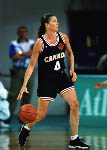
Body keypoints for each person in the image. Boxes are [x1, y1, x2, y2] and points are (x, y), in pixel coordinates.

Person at [17, 14, 90, 149]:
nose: (57, 23)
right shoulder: (40, 42)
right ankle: (26, 127)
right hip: (46, 81)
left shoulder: (63, 37)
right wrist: (24, 85)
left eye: (57, 21)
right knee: (41, 115)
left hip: (61, 77)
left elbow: (70, 53)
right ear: (47, 24)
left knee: (75, 104)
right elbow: (31, 65)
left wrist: (72, 70)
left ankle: (74, 140)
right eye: (54, 21)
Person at [8, 26, 35, 122]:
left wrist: (20, 53)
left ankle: (24, 118)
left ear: (27, 32)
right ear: (18, 33)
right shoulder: (13, 44)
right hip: (18, 70)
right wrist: (26, 54)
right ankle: (7, 117)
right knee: (13, 94)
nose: (23, 33)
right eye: (20, 32)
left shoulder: (31, 42)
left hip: (29, 70)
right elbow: (14, 57)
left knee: (27, 94)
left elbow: (33, 53)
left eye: (24, 31)